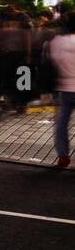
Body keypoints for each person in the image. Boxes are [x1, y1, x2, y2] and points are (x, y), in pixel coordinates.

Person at [45, 14, 75, 168]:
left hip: (64, 88)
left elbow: (53, 63)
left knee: (62, 123)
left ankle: (63, 156)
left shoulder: (56, 42)